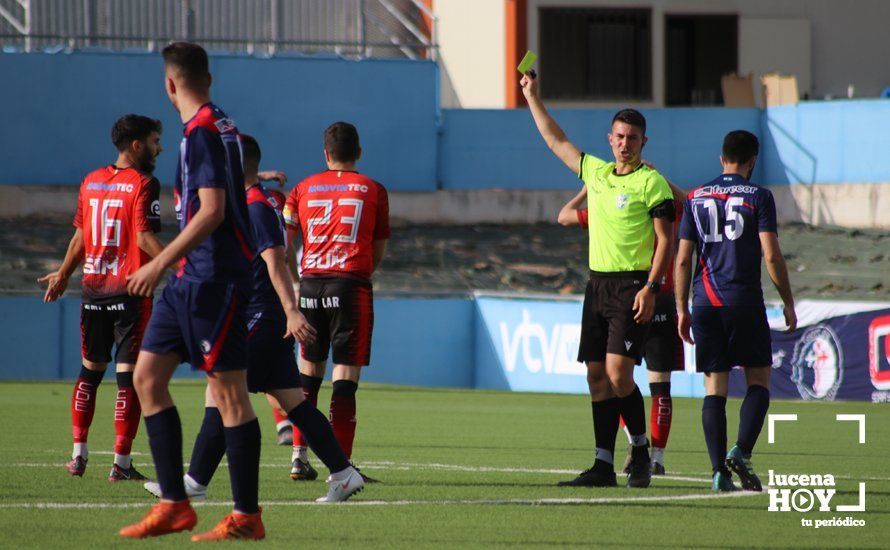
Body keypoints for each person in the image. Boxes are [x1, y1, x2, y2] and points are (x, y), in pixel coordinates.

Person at [142, 134, 365, 503]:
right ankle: (343, 473)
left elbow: (275, 259)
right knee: (294, 402)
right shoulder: (259, 201)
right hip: (266, 316)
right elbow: (284, 254)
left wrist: (292, 311)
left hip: (261, 316)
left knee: (220, 391)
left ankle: (194, 483)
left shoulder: (255, 206)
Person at [119, 42, 263, 540]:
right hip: (189, 280)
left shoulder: (201, 132)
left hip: (214, 279)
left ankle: (246, 516)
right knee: (147, 378)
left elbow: (212, 211)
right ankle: (175, 504)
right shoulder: (219, 123)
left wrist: (158, 261)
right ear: (209, 78)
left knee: (230, 398)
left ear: (169, 84)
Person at [521, 71, 674, 489]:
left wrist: (651, 287)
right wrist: (533, 96)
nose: (625, 143)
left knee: (619, 374)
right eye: (619, 136)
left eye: (633, 138)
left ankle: (640, 449)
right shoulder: (598, 174)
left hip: (632, 287)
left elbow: (666, 240)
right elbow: (555, 140)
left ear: (644, 143)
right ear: (610, 140)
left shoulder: (652, 183)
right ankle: (603, 465)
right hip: (597, 286)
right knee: (595, 376)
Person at [38, 115, 164, 481]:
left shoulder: (91, 180)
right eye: (155, 141)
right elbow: (143, 238)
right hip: (130, 291)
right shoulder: (144, 183)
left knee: (90, 372)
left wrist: (63, 274)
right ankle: (121, 463)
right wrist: (183, 263)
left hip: (93, 289)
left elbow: (80, 237)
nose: (160, 148)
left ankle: (78, 455)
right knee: (130, 379)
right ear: (137, 145)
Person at [675, 130, 796, 492]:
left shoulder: (695, 197)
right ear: (753, 161)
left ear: (721, 158)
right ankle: (741, 451)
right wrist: (788, 300)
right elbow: (771, 254)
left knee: (715, 389)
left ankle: (717, 472)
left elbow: (683, 259)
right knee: (759, 380)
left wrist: (682, 308)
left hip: (706, 302)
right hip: (743, 301)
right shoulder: (759, 196)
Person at [283, 121, 389, 482]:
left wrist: (297, 282)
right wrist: (357, 271)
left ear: (325, 154)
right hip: (351, 287)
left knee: (308, 376)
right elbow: (377, 249)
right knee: (344, 378)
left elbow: (284, 246)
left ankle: (299, 457)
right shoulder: (374, 189)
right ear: (359, 152)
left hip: (310, 287)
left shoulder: (301, 189)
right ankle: (341, 468)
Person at [558, 179, 685, 476]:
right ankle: (656, 458)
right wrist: (664, 182)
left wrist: (588, 189)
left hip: (637, 294)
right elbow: (693, 202)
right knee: (650, 385)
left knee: (618, 378)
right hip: (660, 298)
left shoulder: (618, 208)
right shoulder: (666, 205)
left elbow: (564, 215)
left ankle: (635, 447)